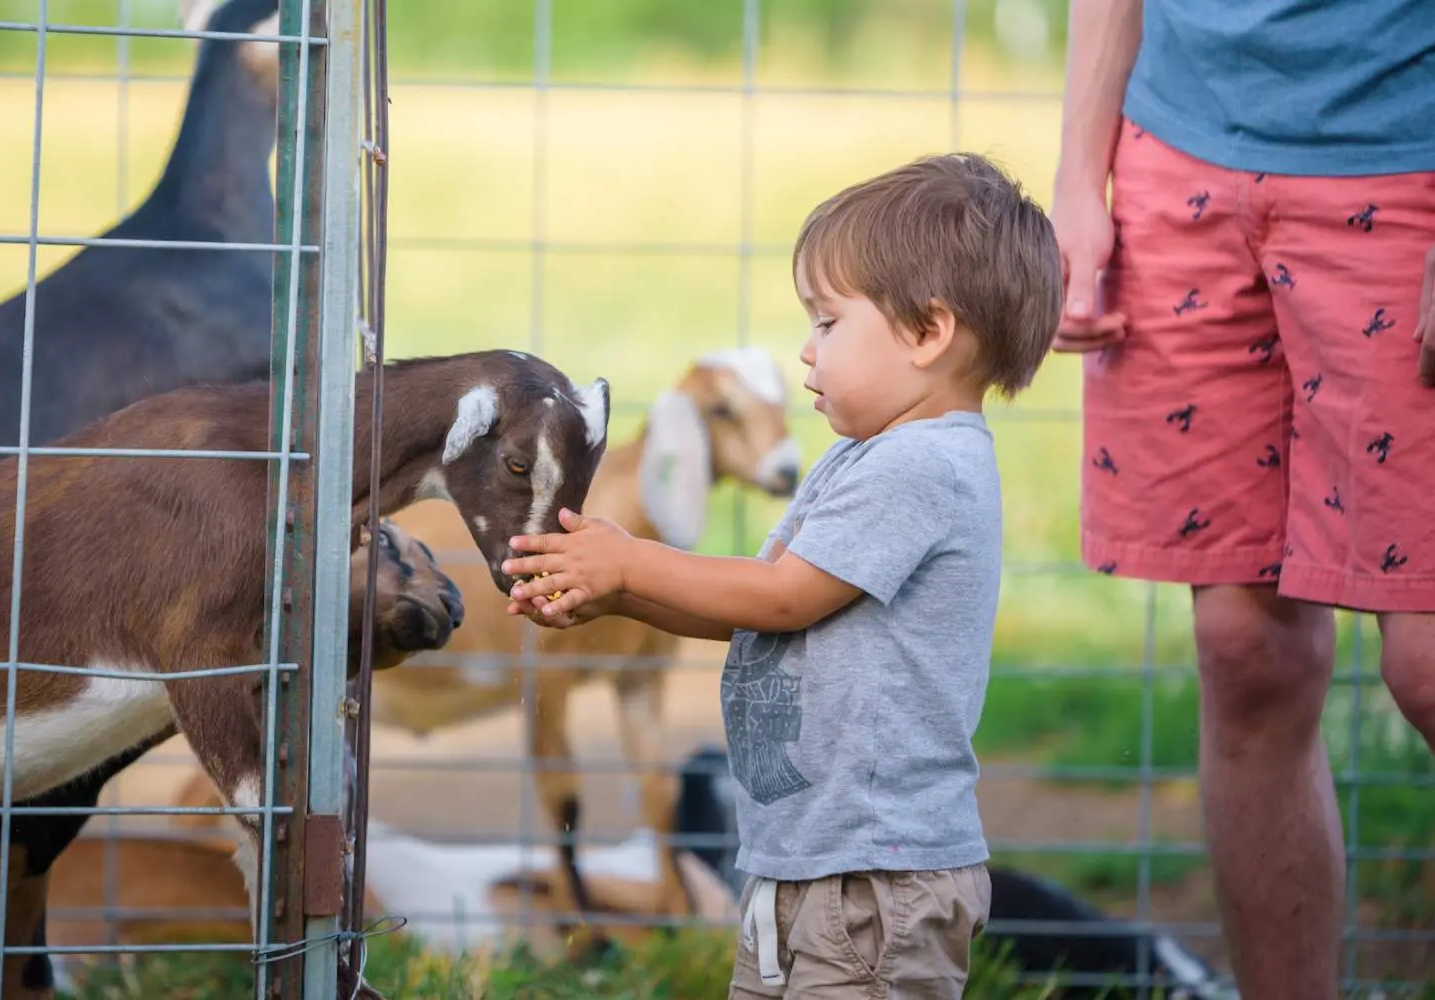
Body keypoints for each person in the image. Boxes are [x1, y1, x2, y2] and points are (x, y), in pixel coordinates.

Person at [500, 152, 1064, 998]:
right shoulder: (866, 459)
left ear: (928, 332)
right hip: (812, 859)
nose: (805, 353)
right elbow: (764, 610)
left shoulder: (921, 468)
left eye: (829, 325)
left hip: (874, 883)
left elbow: (781, 596)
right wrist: (623, 590)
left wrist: (633, 560)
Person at [1050, 2, 1435, 996]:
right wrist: (1078, 176)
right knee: (1243, 648)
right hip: (1176, 159)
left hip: (1403, 171)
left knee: (1429, 664)